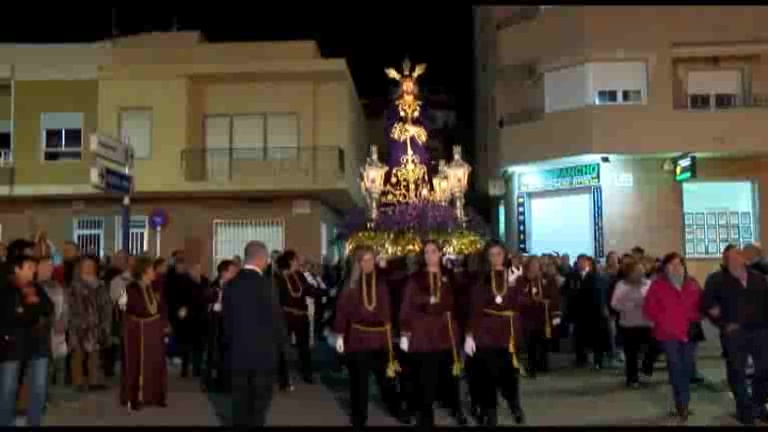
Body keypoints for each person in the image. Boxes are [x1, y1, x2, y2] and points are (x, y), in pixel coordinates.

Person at [399, 241, 466, 427]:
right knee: (425, 377)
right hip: (423, 333)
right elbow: (406, 306)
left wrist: (465, 331)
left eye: (433, 251)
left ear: (440, 253)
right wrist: (405, 332)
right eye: (426, 252)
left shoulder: (450, 276)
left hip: (446, 332)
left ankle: (455, 408)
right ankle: (425, 415)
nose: (430, 256)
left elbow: (460, 303)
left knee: (450, 375)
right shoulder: (415, 279)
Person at [333, 246, 401, 428]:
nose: (368, 263)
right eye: (364, 260)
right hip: (358, 338)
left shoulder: (382, 280)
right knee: (359, 382)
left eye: (371, 259)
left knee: (387, 379)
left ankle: (395, 409)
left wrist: (386, 265)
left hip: (380, 338)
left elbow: (398, 279)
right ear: (358, 262)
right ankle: (359, 416)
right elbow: (342, 311)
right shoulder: (351, 284)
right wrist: (339, 335)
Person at [702, 246, 768, 425]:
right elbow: (708, 306)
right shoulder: (716, 280)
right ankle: (744, 409)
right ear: (724, 262)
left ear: (744, 258)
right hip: (734, 333)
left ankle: (759, 405)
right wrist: (722, 323)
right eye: (729, 259)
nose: (734, 261)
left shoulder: (759, 278)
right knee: (737, 371)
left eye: (737, 257)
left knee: (764, 369)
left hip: (760, 330)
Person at [224, 241, 286, 427]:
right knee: (258, 405)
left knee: (239, 403)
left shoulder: (231, 284)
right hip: (262, 354)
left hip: (237, 353)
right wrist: (282, 348)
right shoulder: (267, 285)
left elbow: (227, 321)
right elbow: (276, 321)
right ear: (262, 259)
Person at [464, 240, 525, 426]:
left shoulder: (514, 276)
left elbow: (517, 305)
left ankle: (514, 403)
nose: (496, 258)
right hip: (485, 332)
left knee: (509, 374)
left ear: (505, 255)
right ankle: (490, 411)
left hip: (507, 333)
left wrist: (513, 284)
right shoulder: (481, 279)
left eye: (499, 254)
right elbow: (474, 308)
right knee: (486, 375)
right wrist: (469, 334)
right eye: (491, 255)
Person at [643, 252, 701, 423]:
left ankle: (684, 401)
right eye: (672, 264)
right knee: (676, 367)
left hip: (689, 333)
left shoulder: (692, 283)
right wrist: (666, 320)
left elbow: (702, 304)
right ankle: (682, 404)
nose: (676, 268)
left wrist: (696, 315)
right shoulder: (657, 285)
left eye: (679, 264)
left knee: (687, 368)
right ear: (665, 267)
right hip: (668, 335)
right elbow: (649, 309)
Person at [0, 254, 53, 426]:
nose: (35, 270)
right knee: (8, 389)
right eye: (30, 267)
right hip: (12, 347)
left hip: (38, 344)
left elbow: (49, 307)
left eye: (35, 267)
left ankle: (34, 422)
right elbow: (10, 316)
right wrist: (32, 308)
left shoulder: (36, 286)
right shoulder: (6, 288)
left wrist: (29, 308)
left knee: (39, 388)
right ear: (17, 269)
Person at [121, 256, 167, 410]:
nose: (155, 272)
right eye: (153, 269)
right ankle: (135, 398)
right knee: (137, 364)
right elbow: (128, 308)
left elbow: (159, 308)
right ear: (145, 271)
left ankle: (154, 396)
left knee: (156, 362)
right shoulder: (131, 288)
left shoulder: (153, 287)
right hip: (138, 332)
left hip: (153, 332)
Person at [611, 258, 657, 388]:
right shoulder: (622, 285)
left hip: (647, 323)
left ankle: (645, 368)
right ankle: (632, 379)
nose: (641, 272)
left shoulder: (649, 284)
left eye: (642, 269)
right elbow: (614, 304)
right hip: (629, 324)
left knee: (653, 346)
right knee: (631, 353)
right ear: (630, 273)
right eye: (637, 270)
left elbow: (656, 300)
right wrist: (632, 305)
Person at [68, 255, 111, 392]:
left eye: (91, 265)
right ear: (80, 267)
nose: (89, 268)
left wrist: (105, 323)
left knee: (95, 354)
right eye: (86, 265)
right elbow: (70, 305)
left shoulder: (101, 284)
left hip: (96, 324)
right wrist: (76, 321)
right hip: (79, 324)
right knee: (78, 354)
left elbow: (106, 304)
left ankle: (94, 380)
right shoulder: (74, 285)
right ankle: (78, 381)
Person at [275, 250, 316, 386]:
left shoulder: (300, 275)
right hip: (286, 316)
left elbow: (309, 290)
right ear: (291, 261)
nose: (299, 261)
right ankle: (283, 377)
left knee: (304, 348)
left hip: (302, 316)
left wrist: (327, 293)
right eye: (297, 259)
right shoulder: (279, 277)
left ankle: (307, 373)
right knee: (283, 347)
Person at [517, 256, 561, 378]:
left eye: (537, 265)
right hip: (528, 317)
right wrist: (533, 300)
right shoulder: (522, 280)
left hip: (543, 316)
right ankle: (532, 366)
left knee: (542, 341)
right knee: (531, 342)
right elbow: (519, 297)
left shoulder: (546, 279)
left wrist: (549, 303)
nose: (535, 268)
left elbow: (554, 295)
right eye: (533, 265)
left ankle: (543, 364)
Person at [563, 254, 610, 370]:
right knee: (579, 337)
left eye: (583, 261)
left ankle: (598, 361)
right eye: (579, 262)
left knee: (596, 338)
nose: (581, 264)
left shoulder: (596, 276)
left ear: (588, 263)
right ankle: (580, 359)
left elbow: (601, 295)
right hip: (578, 312)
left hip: (594, 312)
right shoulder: (571, 276)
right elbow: (565, 292)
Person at [37, 256, 69, 405]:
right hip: (41, 333)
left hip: (57, 331)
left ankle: (54, 395)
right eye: (45, 266)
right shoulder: (34, 286)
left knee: (58, 365)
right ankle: (41, 397)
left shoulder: (57, 285)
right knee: (43, 367)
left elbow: (66, 307)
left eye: (51, 267)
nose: (49, 269)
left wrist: (63, 322)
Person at [203, 259, 237, 393]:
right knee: (213, 355)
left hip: (230, 326)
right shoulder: (213, 286)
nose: (235, 274)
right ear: (223, 273)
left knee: (228, 356)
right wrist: (214, 303)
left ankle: (226, 384)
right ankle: (209, 383)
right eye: (232, 271)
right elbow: (206, 302)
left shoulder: (236, 286)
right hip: (215, 326)